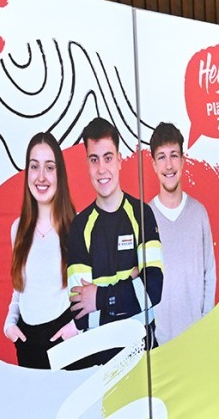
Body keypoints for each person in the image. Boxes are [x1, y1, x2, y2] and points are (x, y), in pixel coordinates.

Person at [67, 118, 164, 359]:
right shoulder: (79, 227)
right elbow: (81, 316)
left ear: (120, 160)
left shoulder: (142, 214)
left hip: (144, 356)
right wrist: (132, 287)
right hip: (99, 363)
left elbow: (153, 290)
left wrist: (99, 297)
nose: (101, 169)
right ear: (87, 164)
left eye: (108, 158)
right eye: (94, 159)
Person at [4, 132, 79, 368]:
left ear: (59, 174)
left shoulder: (76, 227)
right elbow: (20, 289)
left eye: (49, 167)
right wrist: (10, 324)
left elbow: (88, 290)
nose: (41, 177)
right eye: (34, 166)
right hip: (28, 345)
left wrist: (77, 327)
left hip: (64, 340)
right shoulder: (17, 229)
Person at [147, 123, 215, 345]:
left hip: (197, 339)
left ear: (183, 160)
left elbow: (209, 272)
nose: (168, 165)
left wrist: (205, 324)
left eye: (174, 155)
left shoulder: (199, 213)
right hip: (158, 343)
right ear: (153, 164)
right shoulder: (145, 218)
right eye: (162, 157)